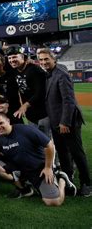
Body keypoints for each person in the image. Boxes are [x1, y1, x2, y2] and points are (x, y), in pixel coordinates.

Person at [0, 112, 77, 206]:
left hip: (39, 169)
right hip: (19, 169)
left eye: (1, 123)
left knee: (53, 202)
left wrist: (48, 167)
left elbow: (49, 145)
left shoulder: (25, 130)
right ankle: (25, 189)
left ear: (8, 121)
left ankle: (61, 179)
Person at [38, 48, 90, 197]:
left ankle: (87, 184)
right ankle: (68, 180)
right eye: (41, 60)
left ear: (54, 59)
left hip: (68, 121)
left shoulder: (61, 74)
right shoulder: (51, 73)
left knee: (77, 153)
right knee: (62, 152)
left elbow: (69, 101)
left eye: (46, 59)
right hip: (56, 121)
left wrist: (65, 123)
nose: (43, 62)